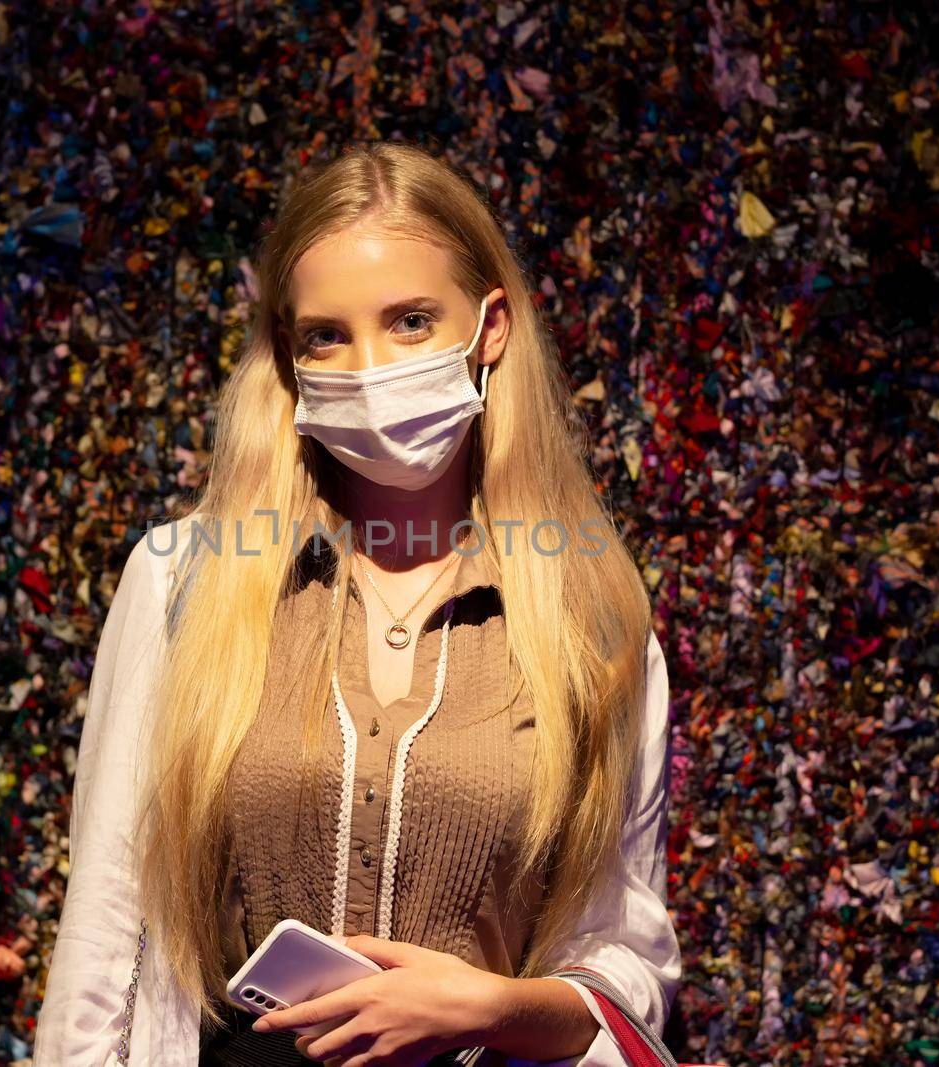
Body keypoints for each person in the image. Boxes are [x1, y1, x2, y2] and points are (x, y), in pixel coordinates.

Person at [34, 141, 681, 1067]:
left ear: (489, 327)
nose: (369, 367)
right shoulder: (184, 581)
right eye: (326, 335)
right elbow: (106, 935)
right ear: (288, 358)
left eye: (412, 320)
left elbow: (626, 950)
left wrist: (493, 1005)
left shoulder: (594, 621)